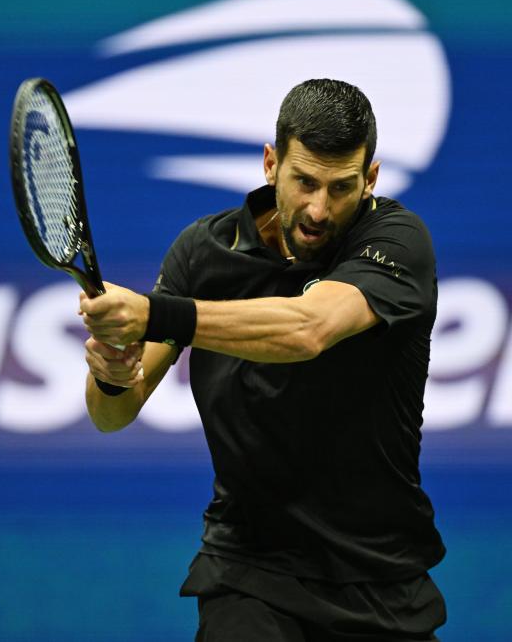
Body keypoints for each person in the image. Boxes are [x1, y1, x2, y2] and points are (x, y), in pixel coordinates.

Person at [79, 79, 446, 641]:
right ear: (271, 164)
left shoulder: (397, 242)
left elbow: (308, 328)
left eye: (341, 188)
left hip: (379, 578)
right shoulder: (203, 252)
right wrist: (110, 376)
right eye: (305, 182)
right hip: (248, 568)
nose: (319, 209)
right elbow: (113, 412)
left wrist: (155, 315)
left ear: (370, 178)